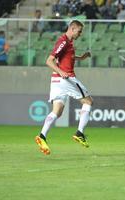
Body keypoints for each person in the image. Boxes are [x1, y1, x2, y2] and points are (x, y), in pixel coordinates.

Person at [35, 20, 93, 155]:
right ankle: (80, 133)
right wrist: (61, 72)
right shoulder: (63, 41)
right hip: (66, 78)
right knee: (88, 101)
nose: (80, 34)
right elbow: (49, 60)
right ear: (72, 29)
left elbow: (67, 57)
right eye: (79, 31)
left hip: (56, 81)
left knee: (57, 111)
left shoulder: (69, 42)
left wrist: (81, 57)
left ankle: (42, 136)